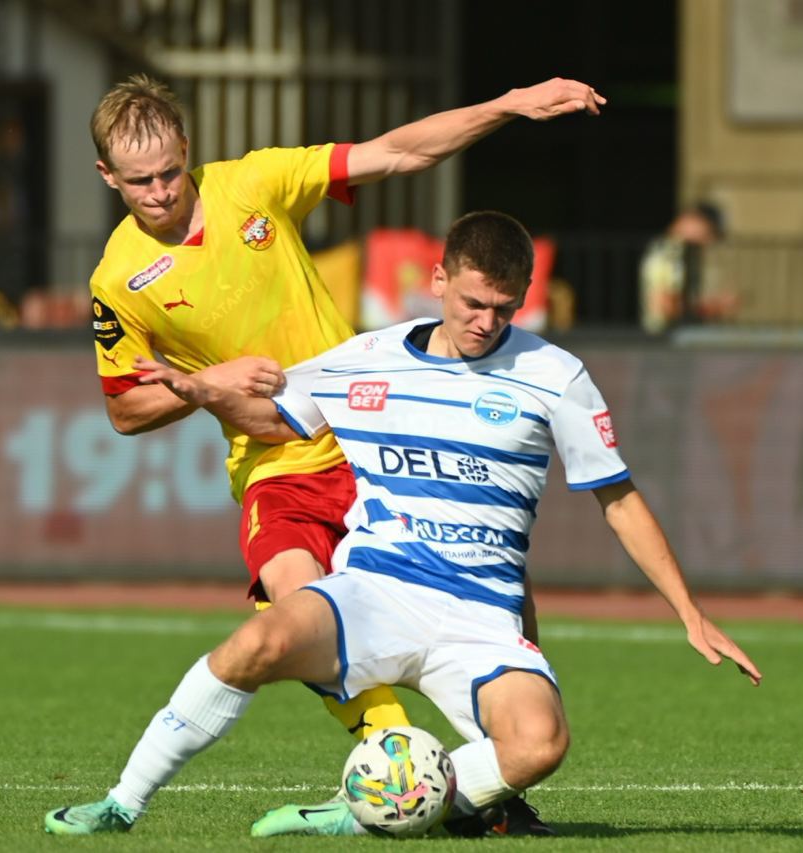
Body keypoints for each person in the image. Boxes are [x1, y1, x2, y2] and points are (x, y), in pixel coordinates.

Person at [45, 211, 762, 837]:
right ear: (440, 277)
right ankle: (121, 802)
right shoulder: (368, 359)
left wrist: (688, 611)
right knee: (256, 640)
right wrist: (204, 391)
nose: (488, 322)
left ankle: (363, 811)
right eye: (475, 302)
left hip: (482, 616)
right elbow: (272, 419)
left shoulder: (556, 376)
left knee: (540, 742)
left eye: (506, 308)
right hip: (375, 591)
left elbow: (620, 498)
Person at [83, 74, 605, 834]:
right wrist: (205, 385)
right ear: (107, 177)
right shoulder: (116, 279)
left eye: (169, 171)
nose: (159, 192)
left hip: (374, 438)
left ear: (188, 152)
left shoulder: (253, 184)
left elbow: (395, 152)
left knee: (497, 584)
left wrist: (507, 105)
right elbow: (125, 409)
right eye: (138, 182)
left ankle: (492, 789)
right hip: (275, 463)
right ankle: (393, 770)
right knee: (300, 611)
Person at [638, 201, 733, 332]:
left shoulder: (682, 256)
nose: (709, 242)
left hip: (676, 335)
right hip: (665, 338)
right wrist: (712, 307)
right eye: (709, 232)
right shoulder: (667, 257)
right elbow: (663, 306)